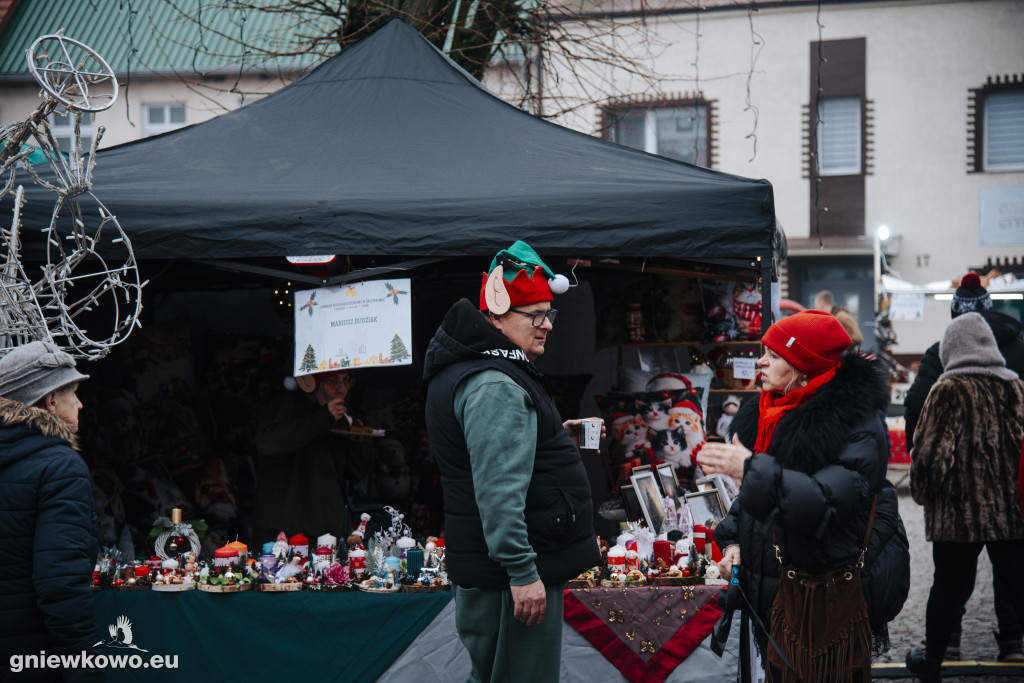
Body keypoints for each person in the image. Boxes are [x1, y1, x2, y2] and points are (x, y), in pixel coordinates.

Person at [423, 240, 602, 683]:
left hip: (499, 570)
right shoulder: (494, 384)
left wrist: (554, 436)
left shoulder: (483, 371)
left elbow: (491, 458)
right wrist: (523, 570)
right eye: (535, 315)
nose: (546, 326)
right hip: (509, 575)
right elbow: (498, 489)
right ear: (497, 314)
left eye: (549, 313)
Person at [713, 310, 909, 681]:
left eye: (773, 354)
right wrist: (733, 540)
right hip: (778, 600)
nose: (761, 361)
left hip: (821, 605)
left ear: (803, 368)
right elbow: (759, 503)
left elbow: (822, 504)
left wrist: (749, 470)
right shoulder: (771, 410)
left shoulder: (854, 425)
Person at [902, 272, 1024, 662]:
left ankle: (937, 655)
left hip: (958, 512)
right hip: (1010, 508)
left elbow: (932, 454)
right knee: (1017, 583)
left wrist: (923, 491)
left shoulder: (948, 388)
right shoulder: (1014, 385)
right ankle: (1014, 645)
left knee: (948, 586)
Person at [0, 341, 103, 680]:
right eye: (72, 393)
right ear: (50, 400)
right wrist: (85, 667)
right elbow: (61, 583)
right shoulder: (60, 466)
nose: (80, 403)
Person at [253, 368, 373, 546]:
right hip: (283, 534)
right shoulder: (286, 407)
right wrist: (323, 418)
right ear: (313, 384)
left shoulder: (341, 419)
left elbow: (355, 473)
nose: (342, 389)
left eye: (346, 380)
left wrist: (358, 441)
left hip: (327, 532)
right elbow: (268, 444)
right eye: (333, 381)